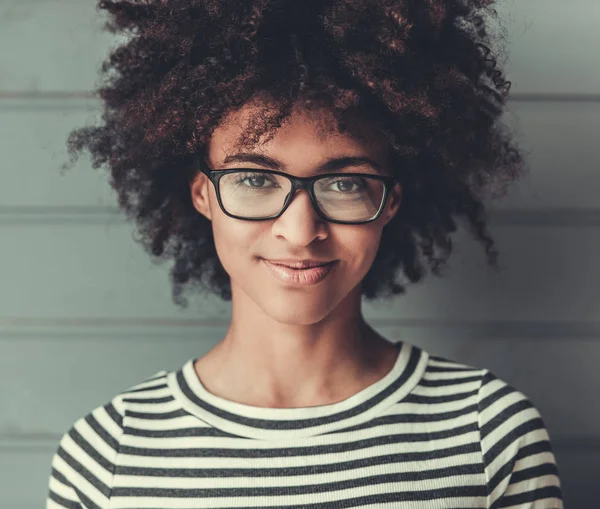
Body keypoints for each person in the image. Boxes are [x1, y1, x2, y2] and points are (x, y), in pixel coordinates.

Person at [47, 0, 564, 507]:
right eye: (254, 179)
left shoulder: (488, 434)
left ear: (390, 204)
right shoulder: (108, 456)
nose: (299, 231)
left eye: (343, 183)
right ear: (202, 194)